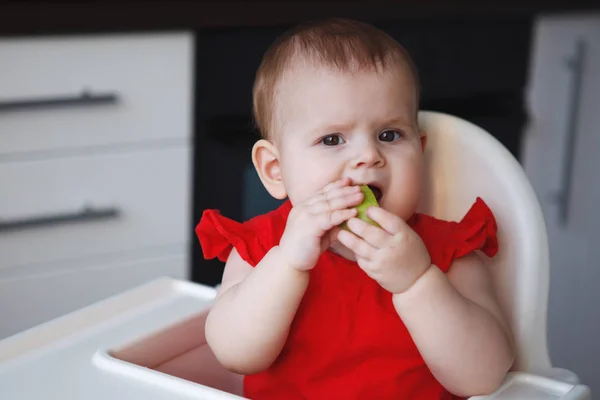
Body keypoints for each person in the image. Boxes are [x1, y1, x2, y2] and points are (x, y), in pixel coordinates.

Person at [196, 17, 515, 399]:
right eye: (332, 139)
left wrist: (416, 281)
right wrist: (288, 263)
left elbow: (484, 377)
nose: (368, 155)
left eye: (389, 135)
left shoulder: (448, 253)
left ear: (420, 150)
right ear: (275, 170)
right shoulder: (261, 249)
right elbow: (234, 354)